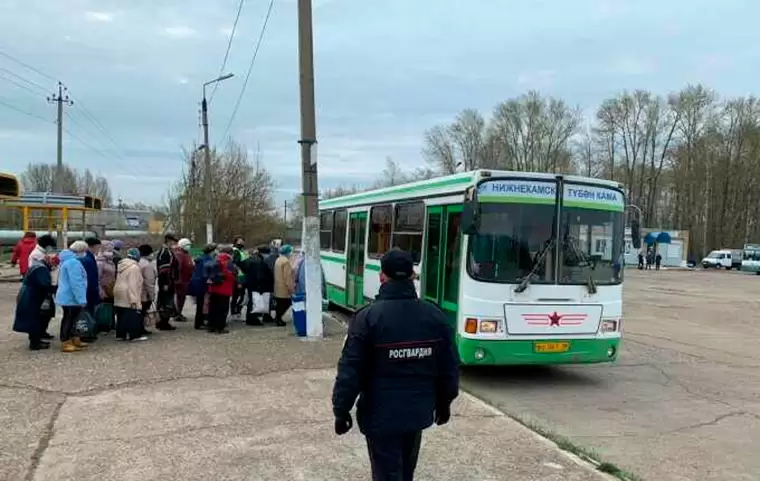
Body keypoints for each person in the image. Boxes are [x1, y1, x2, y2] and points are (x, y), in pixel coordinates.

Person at [332, 249, 460, 481]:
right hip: (418, 410)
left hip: (380, 413)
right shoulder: (434, 315)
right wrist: (445, 401)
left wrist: (341, 410)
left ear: (382, 276)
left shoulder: (368, 318)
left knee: (387, 473)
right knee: (405, 471)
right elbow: (449, 366)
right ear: (413, 275)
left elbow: (351, 370)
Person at [13, 255, 57, 350]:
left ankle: (36, 340)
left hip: (29, 294)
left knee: (34, 318)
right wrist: (56, 288)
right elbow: (44, 284)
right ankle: (35, 343)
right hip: (33, 296)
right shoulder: (41, 268)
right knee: (35, 318)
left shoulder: (38, 265)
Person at [55, 241, 89, 353]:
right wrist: (81, 299)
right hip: (71, 297)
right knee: (69, 319)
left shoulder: (66, 261)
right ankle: (66, 341)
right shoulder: (73, 263)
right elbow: (76, 282)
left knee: (71, 319)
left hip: (67, 296)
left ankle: (73, 338)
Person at [28, 234, 58, 341]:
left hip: (45, 285)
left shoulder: (41, 252)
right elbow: (41, 270)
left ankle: (42, 332)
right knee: (42, 312)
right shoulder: (37, 254)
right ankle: (37, 335)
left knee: (48, 311)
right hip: (40, 287)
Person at [114, 248, 147, 342]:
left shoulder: (121, 265)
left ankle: (120, 335)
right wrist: (134, 300)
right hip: (128, 293)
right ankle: (134, 335)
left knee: (121, 314)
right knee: (132, 315)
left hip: (119, 292)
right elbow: (133, 284)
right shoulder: (134, 268)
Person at [204, 246, 237, 334]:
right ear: (230, 253)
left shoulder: (215, 259)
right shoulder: (228, 261)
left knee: (213, 308)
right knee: (222, 309)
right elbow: (231, 275)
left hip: (213, 287)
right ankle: (220, 328)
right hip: (224, 288)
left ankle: (211, 326)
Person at [243, 246, 275, 326]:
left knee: (252, 300)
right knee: (254, 301)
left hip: (251, 282)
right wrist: (260, 285)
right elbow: (260, 274)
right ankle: (252, 319)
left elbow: (243, 266)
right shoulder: (258, 261)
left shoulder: (253, 258)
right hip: (256, 284)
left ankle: (251, 318)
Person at [188, 243, 216, 330]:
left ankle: (199, 322)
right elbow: (206, 273)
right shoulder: (207, 260)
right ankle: (199, 323)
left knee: (200, 304)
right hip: (203, 284)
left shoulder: (200, 258)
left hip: (197, 283)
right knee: (202, 304)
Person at [155, 233, 179, 330]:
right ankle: (163, 322)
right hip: (166, 281)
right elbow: (164, 270)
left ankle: (163, 321)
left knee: (165, 300)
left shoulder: (167, 251)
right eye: (173, 241)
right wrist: (165, 283)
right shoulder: (165, 252)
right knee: (166, 302)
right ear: (169, 241)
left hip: (168, 280)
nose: (174, 243)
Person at [95, 240, 117, 333]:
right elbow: (98, 278)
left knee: (110, 307)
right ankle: (102, 325)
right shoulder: (100, 262)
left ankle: (109, 323)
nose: (110, 249)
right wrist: (101, 291)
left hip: (110, 288)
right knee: (103, 307)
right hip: (104, 289)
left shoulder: (110, 261)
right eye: (108, 247)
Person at [273, 244, 295, 327]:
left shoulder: (278, 260)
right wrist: (291, 289)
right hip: (283, 288)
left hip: (277, 286)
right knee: (285, 304)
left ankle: (278, 318)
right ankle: (279, 319)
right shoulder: (286, 262)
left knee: (279, 304)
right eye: (291, 252)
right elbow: (287, 277)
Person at [173, 238, 194, 322]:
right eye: (187, 245)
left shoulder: (186, 254)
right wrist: (178, 279)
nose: (189, 247)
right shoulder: (179, 255)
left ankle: (178, 313)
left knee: (182, 298)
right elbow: (178, 268)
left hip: (186, 280)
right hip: (181, 280)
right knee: (180, 298)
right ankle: (177, 314)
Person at [138, 244, 157, 335]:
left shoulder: (137, 262)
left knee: (138, 311)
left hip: (137, 291)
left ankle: (139, 327)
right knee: (143, 311)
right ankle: (141, 328)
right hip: (145, 293)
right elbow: (149, 282)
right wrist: (152, 295)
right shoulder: (147, 265)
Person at [230, 236, 249, 316]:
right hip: (239, 276)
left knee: (241, 295)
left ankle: (236, 310)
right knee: (238, 295)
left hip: (242, 275)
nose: (241, 243)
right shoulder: (236, 251)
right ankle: (235, 311)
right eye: (239, 242)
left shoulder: (241, 251)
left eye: (242, 241)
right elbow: (235, 263)